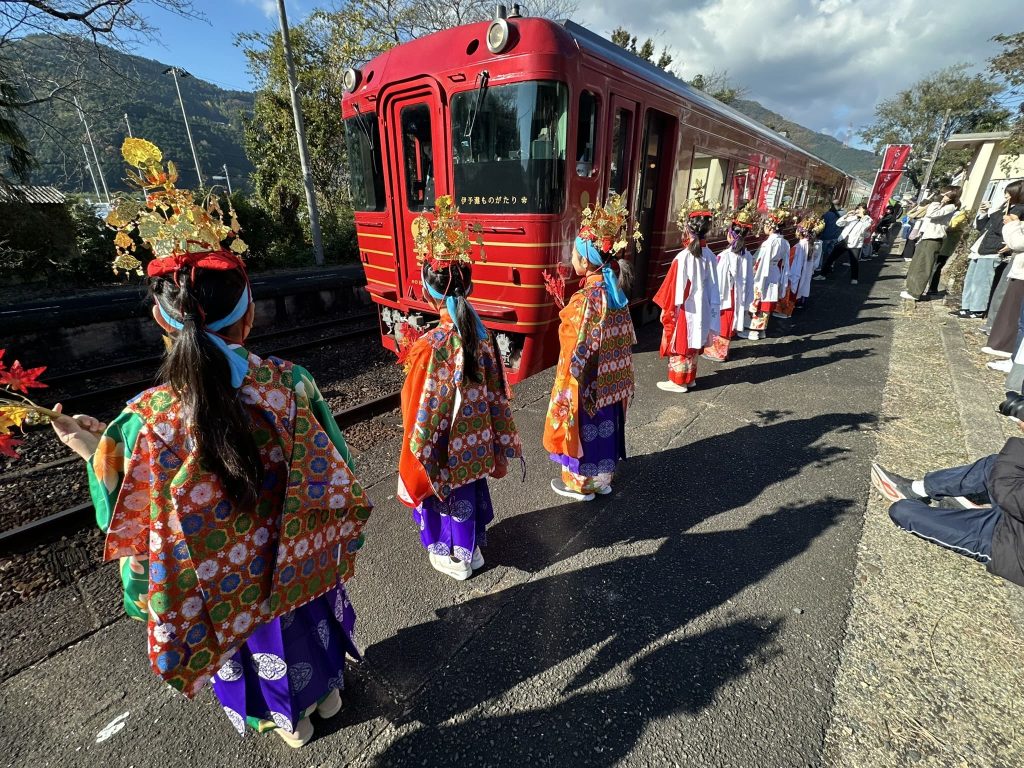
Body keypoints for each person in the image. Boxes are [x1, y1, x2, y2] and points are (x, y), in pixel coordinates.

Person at [49, 139, 372, 748]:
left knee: (251, 645)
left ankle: (287, 719)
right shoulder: (291, 386)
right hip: (295, 561)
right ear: (248, 317)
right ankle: (327, 692)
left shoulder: (140, 423)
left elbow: (125, 506)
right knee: (306, 624)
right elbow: (338, 471)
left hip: (223, 587)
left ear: (161, 323)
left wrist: (92, 448)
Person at [398, 195, 523, 577]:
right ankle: (473, 551)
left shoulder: (431, 346)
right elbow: (496, 389)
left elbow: (414, 405)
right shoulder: (480, 335)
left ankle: (456, 558)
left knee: (446, 497)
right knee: (469, 489)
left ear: (428, 290)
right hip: (475, 439)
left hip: (443, 443)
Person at [869, 395, 1024, 587]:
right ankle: (916, 489)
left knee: (902, 511)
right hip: (1012, 512)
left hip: (1008, 545)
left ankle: (973, 508)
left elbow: (1008, 488)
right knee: (994, 464)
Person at [544, 194, 638, 501]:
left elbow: (572, 345)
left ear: (585, 261)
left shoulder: (585, 298)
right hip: (611, 381)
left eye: (574, 254)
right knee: (606, 425)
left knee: (584, 428)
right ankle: (603, 479)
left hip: (587, 385)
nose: (572, 259)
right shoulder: (613, 292)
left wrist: (564, 311)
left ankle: (580, 483)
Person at [654, 194, 721, 391]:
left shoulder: (683, 257)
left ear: (687, 229)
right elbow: (714, 286)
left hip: (685, 307)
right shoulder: (710, 255)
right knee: (695, 340)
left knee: (682, 341)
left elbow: (674, 288)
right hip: (703, 306)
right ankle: (690, 377)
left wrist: (668, 311)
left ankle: (678, 380)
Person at [957, 182, 1024, 319]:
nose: (1006, 195)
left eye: (1009, 193)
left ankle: (977, 309)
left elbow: (1001, 228)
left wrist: (993, 210)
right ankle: (966, 307)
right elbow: (983, 226)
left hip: (993, 249)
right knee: (971, 279)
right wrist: (983, 213)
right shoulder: (1004, 208)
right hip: (981, 246)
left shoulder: (1019, 209)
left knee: (982, 282)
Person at [704, 204, 755, 362]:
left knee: (722, 321)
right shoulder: (746, 255)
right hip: (737, 293)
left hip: (725, 293)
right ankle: (722, 350)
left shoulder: (725, 256)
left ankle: (719, 352)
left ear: (731, 234)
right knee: (730, 320)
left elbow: (717, 280)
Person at [900, 186, 961, 301]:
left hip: (933, 239)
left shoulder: (951, 207)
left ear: (952, 195)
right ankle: (911, 289)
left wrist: (937, 201)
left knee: (923, 266)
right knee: (916, 265)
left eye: (945, 194)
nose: (942, 196)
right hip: (926, 237)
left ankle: (915, 292)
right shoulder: (942, 205)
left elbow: (932, 214)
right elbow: (919, 213)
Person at [983, 212, 1024, 360]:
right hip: (1019, 271)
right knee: (1010, 311)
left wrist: (1013, 224)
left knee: (1013, 314)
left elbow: (1018, 243)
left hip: (1021, 273)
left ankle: (1007, 350)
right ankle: (1003, 348)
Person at [747, 207, 790, 337]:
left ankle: (754, 331)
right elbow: (786, 263)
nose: (764, 227)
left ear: (771, 227)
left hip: (763, 272)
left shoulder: (768, 243)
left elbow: (759, 260)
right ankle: (763, 330)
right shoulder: (785, 242)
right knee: (768, 299)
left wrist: (752, 268)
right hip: (775, 271)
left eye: (765, 225)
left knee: (759, 298)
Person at [818, 202, 870, 284]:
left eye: (860, 209)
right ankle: (822, 275)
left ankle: (854, 278)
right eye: (857, 208)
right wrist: (847, 215)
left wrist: (862, 217)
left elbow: (864, 228)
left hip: (855, 243)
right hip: (843, 240)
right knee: (831, 258)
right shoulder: (852, 217)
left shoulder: (867, 219)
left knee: (854, 261)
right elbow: (839, 223)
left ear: (865, 210)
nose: (858, 210)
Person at [795, 215, 823, 309]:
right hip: (808, 268)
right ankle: (802, 300)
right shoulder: (813, 243)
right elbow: (816, 258)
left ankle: (796, 300)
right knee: (806, 283)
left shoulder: (801, 244)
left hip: (800, 268)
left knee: (799, 284)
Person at [817, 202, 842, 270]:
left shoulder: (827, 215)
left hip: (826, 236)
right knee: (830, 252)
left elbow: (821, 226)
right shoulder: (838, 215)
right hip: (835, 236)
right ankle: (830, 265)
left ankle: (819, 266)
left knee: (821, 252)